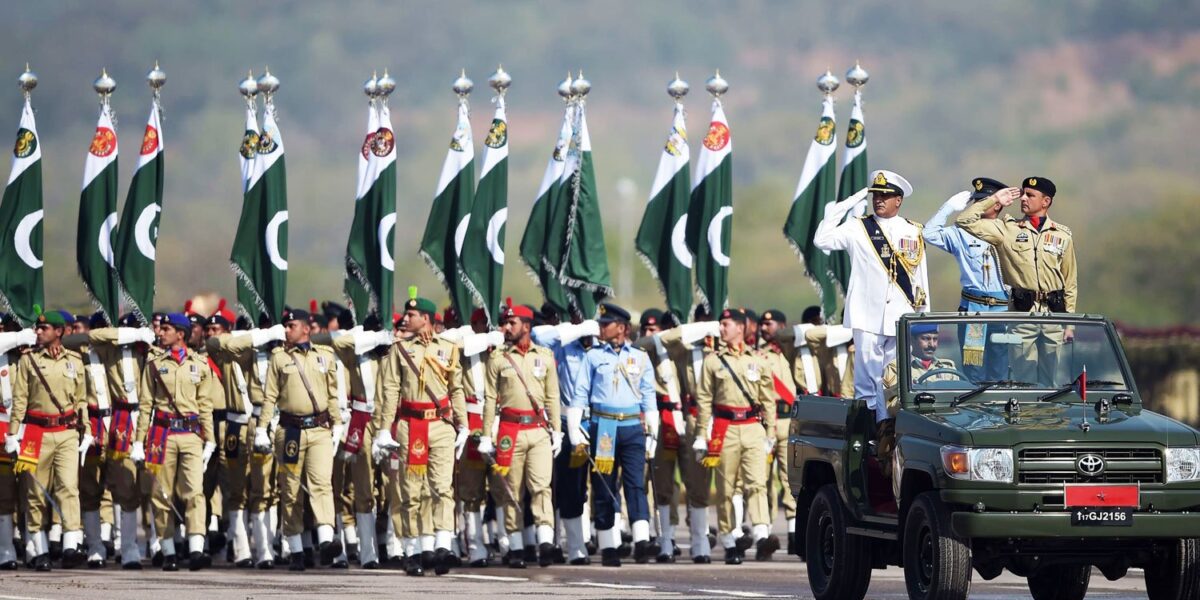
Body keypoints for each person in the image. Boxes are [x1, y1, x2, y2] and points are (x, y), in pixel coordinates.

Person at [813, 169, 931, 423]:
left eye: (885, 196)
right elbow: (821, 239)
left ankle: (888, 428)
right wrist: (845, 205)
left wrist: (923, 318)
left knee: (895, 379)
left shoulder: (912, 231)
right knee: (866, 382)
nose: (878, 200)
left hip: (901, 315)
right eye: (875, 195)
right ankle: (868, 433)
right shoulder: (858, 227)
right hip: (867, 316)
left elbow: (920, 277)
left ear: (898, 200)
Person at [956, 177, 1078, 385]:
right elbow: (964, 221)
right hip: (1023, 315)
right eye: (1023, 193)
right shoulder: (1007, 230)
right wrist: (993, 199)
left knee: (1050, 382)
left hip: (1053, 315)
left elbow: (1070, 281)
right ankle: (1029, 417)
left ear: (1046, 201)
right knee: (1025, 380)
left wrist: (1070, 324)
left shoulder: (1062, 235)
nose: (1023, 198)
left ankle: (1047, 418)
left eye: (1030, 195)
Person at [378, 294, 467, 577]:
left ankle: (442, 546)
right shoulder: (400, 350)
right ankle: (413, 550)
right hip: (410, 424)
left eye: (411, 316)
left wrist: (463, 425)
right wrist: (383, 428)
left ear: (425, 319)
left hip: (440, 424)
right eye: (406, 315)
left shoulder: (449, 349)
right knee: (411, 491)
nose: (406, 319)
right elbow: (391, 390)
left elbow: (456, 389)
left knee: (442, 488)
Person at [257, 308, 344, 572]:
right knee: (291, 490)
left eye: (291, 325)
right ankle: (295, 548)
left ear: (306, 328)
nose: (286, 329)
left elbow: (332, 395)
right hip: (290, 430)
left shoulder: (325, 356)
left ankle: (327, 540)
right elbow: (270, 396)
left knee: (321, 484)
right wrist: (262, 428)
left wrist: (338, 423)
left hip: (319, 429)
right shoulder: (278, 358)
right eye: (285, 325)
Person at [570, 303, 656, 567]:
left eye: (606, 324)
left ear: (622, 328)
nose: (600, 328)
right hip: (603, 427)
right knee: (604, 485)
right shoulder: (593, 356)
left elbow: (648, 396)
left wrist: (653, 431)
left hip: (631, 427)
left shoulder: (640, 357)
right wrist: (576, 429)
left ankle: (642, 540)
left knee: (635, 484)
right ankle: (609, 544)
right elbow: (580, 393)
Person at [478, 301, 562, 569]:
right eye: (505, 322)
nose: (506, 327)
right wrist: (485, 434)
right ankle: (515, 546)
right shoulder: (498, 358)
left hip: (538, 430)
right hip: (509, 431)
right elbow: (490, 399)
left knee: (541, 487)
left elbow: (552, 397)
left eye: (512, 323)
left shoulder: (545, 356)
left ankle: (546, 541)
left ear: (527, 326)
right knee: (511, 491)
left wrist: (557, 432)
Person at [130, 313, 217, 571]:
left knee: (194, 492)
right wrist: (138, 441)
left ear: (180, 333)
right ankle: (168, 551)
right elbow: (146, 404)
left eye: (166, 329)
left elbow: (205, 406)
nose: (161, 332)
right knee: (161, 493)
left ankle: (196, 550)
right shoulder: (154, 364)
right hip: (161, 434)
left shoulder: (200, 364)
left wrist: (209, 439)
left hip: (190, 434)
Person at [6, 309, 90, 571]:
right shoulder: (28, 361)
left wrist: (86, 430)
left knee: (68, 487)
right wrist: (12, 434)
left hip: (65, 432)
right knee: (35, 491)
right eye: (38, 328)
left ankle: (70, 544)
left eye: (45, 329)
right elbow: (19, 400)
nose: (39, 332)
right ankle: (39, 549)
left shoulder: (75, 361)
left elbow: (81, 400)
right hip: (34, 432)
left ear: (59, 332)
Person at [693, 308, 777, 564]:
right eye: (721, 324)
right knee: (726, 487)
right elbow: (704, 400)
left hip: (752, 426)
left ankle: (762, 534)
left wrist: (770, 433)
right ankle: (729, 540)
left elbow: (768, 400)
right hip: (724, 428)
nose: (721, 328)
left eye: (726, 324)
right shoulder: (713, 361)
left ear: (740, 328)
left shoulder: (759, 359)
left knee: (757, 483)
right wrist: (701, 434)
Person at [926, 177, 1012, 380]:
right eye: (977, 201)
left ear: (997, 204)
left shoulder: (1008, 230)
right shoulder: (961, 232)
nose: (978, 205)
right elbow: (929, 233)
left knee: (1000, 368)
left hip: (1002, 310)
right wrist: (947, 208)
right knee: (974, 369)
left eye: (984, 201)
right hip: (973, 309)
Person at [531, 311, 599, 566]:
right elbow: (539, 336)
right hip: (570, 422)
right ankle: (575, 547)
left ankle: (606, 542)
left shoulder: (602, 348)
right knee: (570, 486)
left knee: (599, 486)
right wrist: (576, 329)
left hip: (600, 422)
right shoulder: (562, 346)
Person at [756, 309, 808, 557]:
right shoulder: (758, 355)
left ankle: (794, 534)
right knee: (763, 479)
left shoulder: (791, 349)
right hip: (767, 421)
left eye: (770, 324)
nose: (765, 328)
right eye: (762, 324)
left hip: (789, 420)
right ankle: (764, 536)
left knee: (790, 478)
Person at [878, 323, 959, 479]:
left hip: (945, 427)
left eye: (935, 339)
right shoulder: (898, 368)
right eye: (926, 339)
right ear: (913, 341)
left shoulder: (948, 366)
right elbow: (894, 407)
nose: (932, 345)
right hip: (913, 430)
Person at [0, 317, 36, 570]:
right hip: (2, 426)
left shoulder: (34, 356)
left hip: (31, 427)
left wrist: (31, 344)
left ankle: (35, 547)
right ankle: (6, 549)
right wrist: (18, 338)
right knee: (4, 492)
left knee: (32, 490)